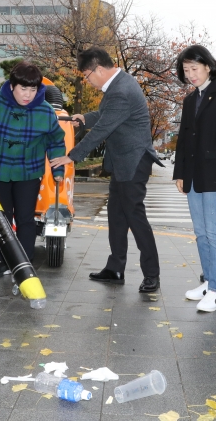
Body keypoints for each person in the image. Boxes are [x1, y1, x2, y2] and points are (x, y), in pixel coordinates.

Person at [50, 47, 163, 293]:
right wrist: (84, 118)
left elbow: (103, 129)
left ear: (99, 69)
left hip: (133, 162)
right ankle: (115, 268)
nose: (88, 81)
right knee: (117, 216)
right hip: (124, 161)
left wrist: (71, 156)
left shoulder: (121, 90)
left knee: (135, 217)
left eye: (87, 75)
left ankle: (152, 275)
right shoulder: (117, 85)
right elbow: (103, 115)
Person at [0, 61, 66, 278]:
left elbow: (56, 142)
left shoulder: (46, 112)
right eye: (23, 89)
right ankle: (4, 261)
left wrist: (58, 171)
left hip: (28, 173)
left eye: (33, 89)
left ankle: (25, 263)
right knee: (1, 218)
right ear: (12, 86)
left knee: (26, 218)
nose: (28, 95)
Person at [172, 45, 216, 312]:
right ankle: (209, 281)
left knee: (214, 231)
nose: (191, 74)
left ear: (208, 67)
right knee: (201, 233)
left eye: (194, 69)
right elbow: (184, 139)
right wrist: (179, 173)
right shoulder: (190, 100)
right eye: (186, 70)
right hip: (194, 175)